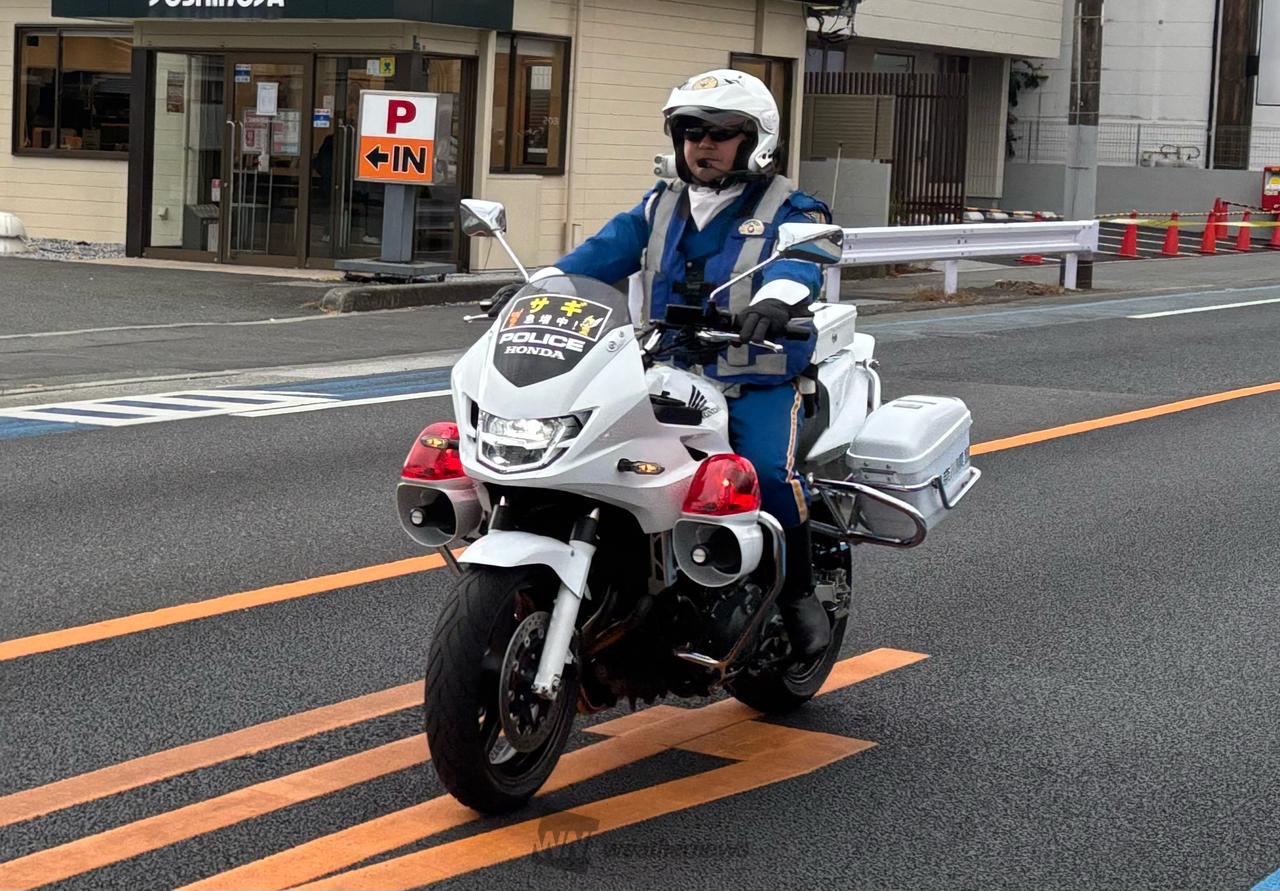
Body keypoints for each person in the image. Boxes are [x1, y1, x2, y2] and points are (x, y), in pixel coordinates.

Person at [532, 69, 833, 657]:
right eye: (691, 131)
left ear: (755, 140)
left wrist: (776, 300)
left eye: (722, 133)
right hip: (664, 373)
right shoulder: (660, 204)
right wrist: (537, 287)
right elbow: (596, 256)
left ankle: (798, 594)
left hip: (757, 378)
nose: (703, 144)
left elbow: (800, 264)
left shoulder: (794, 207)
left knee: (767, 473)